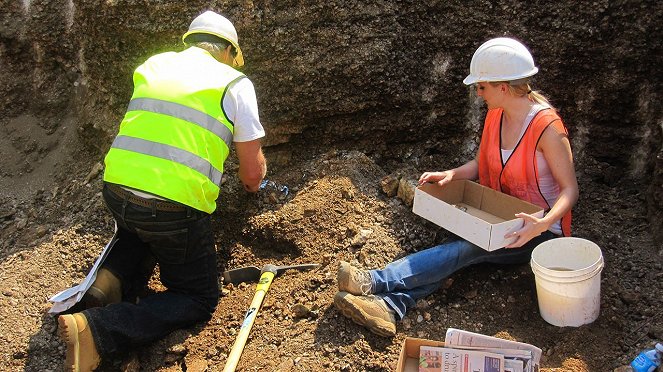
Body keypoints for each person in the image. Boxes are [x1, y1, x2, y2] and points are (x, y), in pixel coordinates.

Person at [56, 10, 267, 371]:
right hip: (172, 210)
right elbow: (250, 175)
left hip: (117, 191)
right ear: (229, 52)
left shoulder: (154, 64)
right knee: (197, 296)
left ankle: (108, 281)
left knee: (139, 229)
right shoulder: (235, 83)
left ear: (191, 43)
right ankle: (100, 329)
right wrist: (257, 181)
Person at [333, 37, 578, 337]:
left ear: (502, 87)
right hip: (499, 216)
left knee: (466, 250)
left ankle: (374, 281)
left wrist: (541, 224)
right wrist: (452, 175)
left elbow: (570, 190)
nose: (478, 92)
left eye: (482, 86)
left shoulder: (548, 129)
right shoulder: (496, 115)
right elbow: (481, 162)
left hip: (537, 233)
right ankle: (391, 306)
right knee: (461, 253)